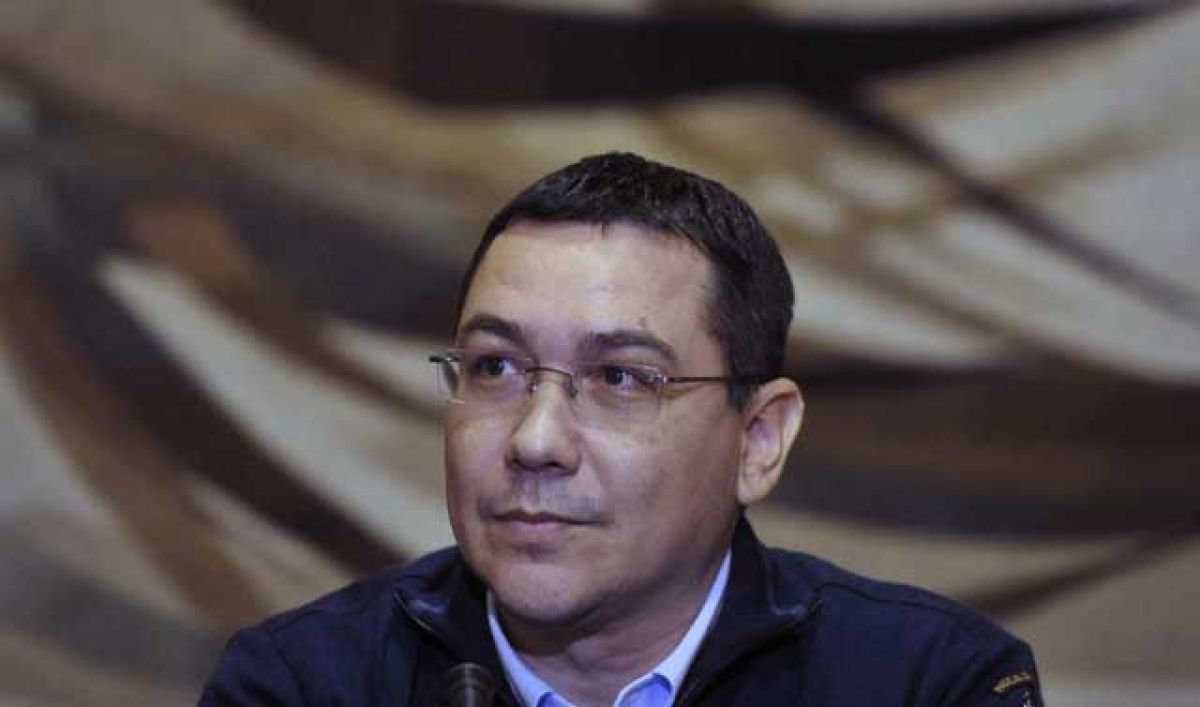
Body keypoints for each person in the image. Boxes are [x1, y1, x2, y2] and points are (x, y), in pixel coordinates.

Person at [199, 153, 1043, 706]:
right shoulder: (302, 685)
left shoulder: (928, 683)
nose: (535, 440)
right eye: (495, 366)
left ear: (758, 439)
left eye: (619, 378)